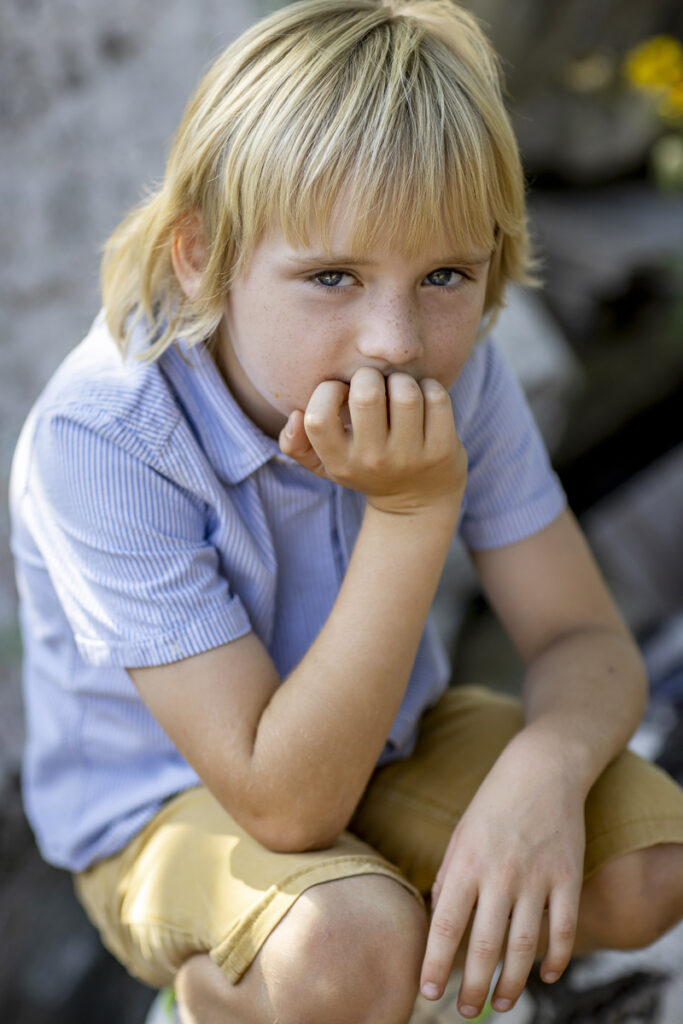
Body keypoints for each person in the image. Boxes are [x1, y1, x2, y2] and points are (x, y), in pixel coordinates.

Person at [10, 1, 683, 1021]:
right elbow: (282, 801)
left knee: (646, 862)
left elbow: (579, 634)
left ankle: (453, 970)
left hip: (389, 740)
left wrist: (535, 784)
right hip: (169, 808)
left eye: (445, 274)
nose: (395, 341)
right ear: (200, 254)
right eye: (331, 275)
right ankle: (209, 1002)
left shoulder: (460, 369)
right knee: (349, 951)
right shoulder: (104, 438)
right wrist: (412, 515)